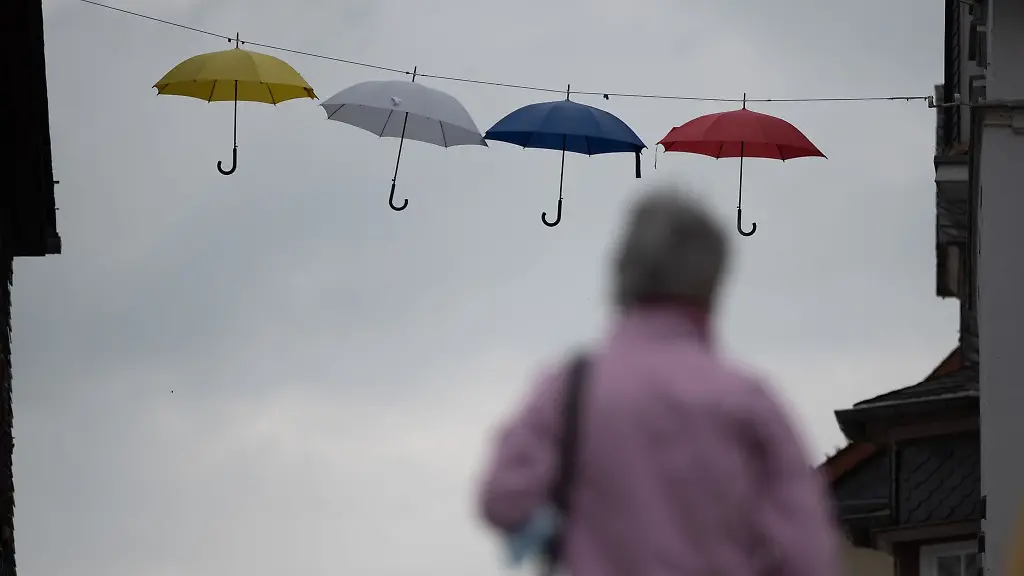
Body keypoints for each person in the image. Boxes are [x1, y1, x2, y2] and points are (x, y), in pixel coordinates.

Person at [477, 184, 841, 576]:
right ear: (714, 282)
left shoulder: (568, 390)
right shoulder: (750, 402)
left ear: (622, 272)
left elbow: (503, 500)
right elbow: (807, 555)